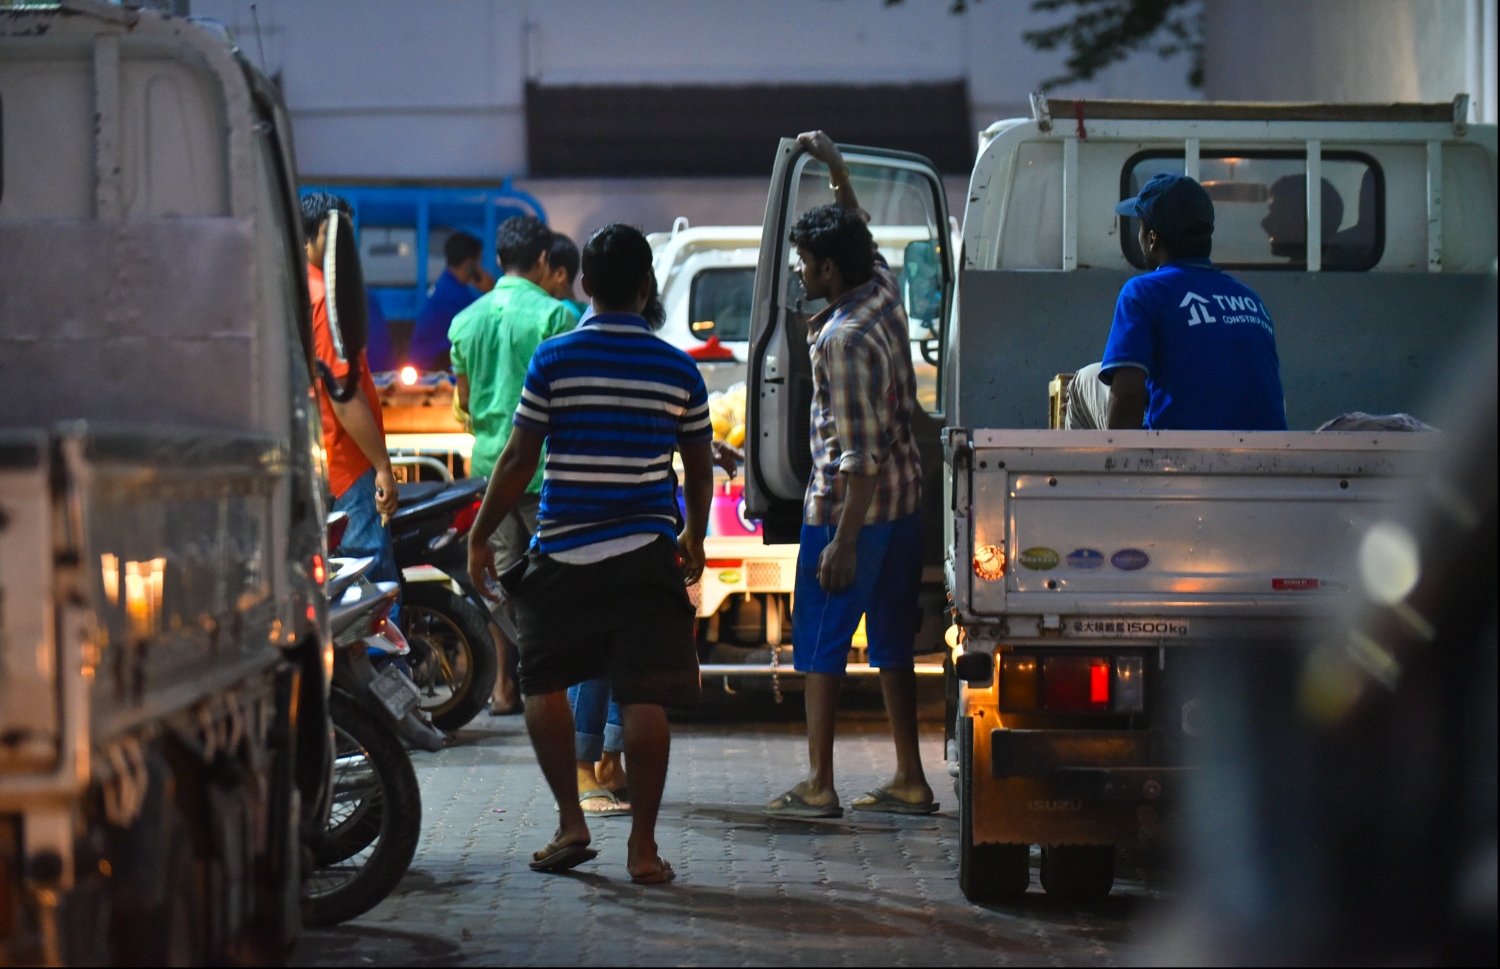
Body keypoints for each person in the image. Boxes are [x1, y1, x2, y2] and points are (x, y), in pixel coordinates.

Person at [467, 222, 714, 884]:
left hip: (565, 549)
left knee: (543, 681)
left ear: (584, 286)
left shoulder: (556, 359)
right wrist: (695, 535)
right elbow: (697, 465)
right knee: (644, 695)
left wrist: (479, 532)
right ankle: (642, 847)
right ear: (646, 286)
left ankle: (571, 821)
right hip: (645, 555)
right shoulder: (678, 368)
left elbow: (520, 458)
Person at [764, 131, 934, 819]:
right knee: (892, 641)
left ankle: (818, 782)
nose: (800, 274)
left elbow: (856, 456)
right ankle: (910, 777)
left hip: (853, 510)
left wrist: (842, 541)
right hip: (906, 500)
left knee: (822, 648)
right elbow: (859, 230)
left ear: (830, 268)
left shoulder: (841, 338)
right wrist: (835, 169)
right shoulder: (882, 290)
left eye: (806, 264)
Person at [450, 216, 578, 715]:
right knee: (554, 582)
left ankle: (505, 687)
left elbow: (464, 405)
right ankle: (556, 688)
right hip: (546, 471)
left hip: (489, 470)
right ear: (544, 260)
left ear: (498, 261)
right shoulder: (556, 317)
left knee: (498, 579)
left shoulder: (465, 322)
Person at [1097, 173, 1288, 431]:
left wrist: (1120, 465)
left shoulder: (1144, 291)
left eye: (1140, 227)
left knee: (1082, 384)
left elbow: (1128, 394)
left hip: (1178, 459)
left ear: (1152, 238)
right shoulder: (1250, 299)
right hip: (1264, 459)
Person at [300, 193, 401, 610]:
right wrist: (382, 466)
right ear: (313, 237)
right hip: (347, 461)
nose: (347, 246)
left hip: (321, 456)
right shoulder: (325, 298)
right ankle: (385, 674)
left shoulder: (296, 288)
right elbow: (343, 398)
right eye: (338, 234)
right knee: (371, 593)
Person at [409, 231, 494, 371]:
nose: (481, 269)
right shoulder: (456, 295)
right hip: (432, 365)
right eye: (479, 262)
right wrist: (491, 291)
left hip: (428, 360)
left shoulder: (446, 285)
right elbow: (491, 320)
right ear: (469, 264)